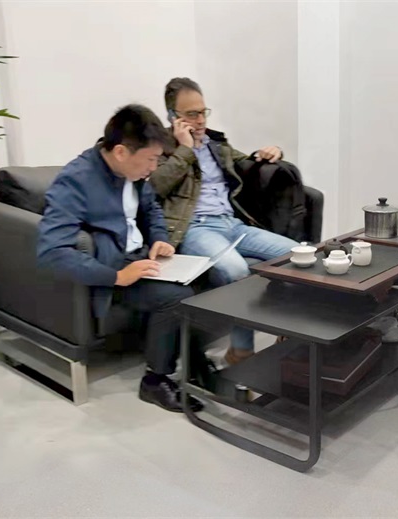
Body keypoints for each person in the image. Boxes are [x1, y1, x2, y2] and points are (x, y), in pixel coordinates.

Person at [37, 104, 205, 412]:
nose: (153, 167)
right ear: (120, 152)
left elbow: (151, 208)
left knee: (205, 277)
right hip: (111, 271)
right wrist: (116, 277)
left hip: (140, 259)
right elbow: (52, 251)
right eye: (150, 159)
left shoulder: (134, 173)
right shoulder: (75, 181)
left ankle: (197, 365)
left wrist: (159, 239)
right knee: (175, 297)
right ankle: (155, 381)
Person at [150, 77, 298, 365]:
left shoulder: (216, 144)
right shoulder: (161, 148)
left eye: (203, 111)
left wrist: (271, 152)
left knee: (298, 256)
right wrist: (185, 149)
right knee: (236, 271)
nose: (200, 119)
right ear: (172, 116)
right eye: (192, 113)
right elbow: (155, 186)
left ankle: (291, 336)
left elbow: (248, 161)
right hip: (196, 229)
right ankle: (240, 351)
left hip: (233, 224)